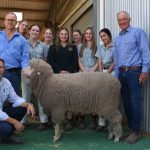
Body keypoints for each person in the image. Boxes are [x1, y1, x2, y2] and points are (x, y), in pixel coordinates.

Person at [114, 11, 150, 144]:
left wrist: (145, 71)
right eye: (120, 20)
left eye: (124, 19)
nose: (122, 22)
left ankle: (136, 132)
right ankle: (131, 130)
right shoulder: (117, 39)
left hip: (135, 72)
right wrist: (115, 77)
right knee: (126, 103)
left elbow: (145, 52)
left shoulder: (138, 32)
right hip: (122, 73)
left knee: (135, 102)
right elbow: (117, 60)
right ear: (118, 22)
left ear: (130, 19)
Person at [47, 27, 78, 130]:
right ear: (58, 35)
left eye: (66, 34)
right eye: (62, 34)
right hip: (56, 76)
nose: (64, 36)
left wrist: (68, 71)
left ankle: (69, 120)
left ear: (68, 35)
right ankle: (57, 120)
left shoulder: (73, 47)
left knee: (69, 98)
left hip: (70, 76)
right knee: (57, 99)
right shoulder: (53, 47)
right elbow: (50, 60)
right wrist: (59, 71)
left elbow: (75, 61)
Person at [0, 58, 35, 144]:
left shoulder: (6, 82)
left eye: (0, 67)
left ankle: (6, 136)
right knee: (7, 128)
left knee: (22, 108)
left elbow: (15, 99)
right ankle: (6, 134)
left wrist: (28, 104)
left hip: (1, 113)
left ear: (4, 69)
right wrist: (15, 122)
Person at [21, 24, 49, 131]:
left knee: (41, 98)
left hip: (39, 75)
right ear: (29, 31)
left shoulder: (43, 46)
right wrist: (27, 72)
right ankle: (23, 121)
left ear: (39, 33)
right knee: (25, 97)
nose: (35, 32)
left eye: (37, 31)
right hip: (26, 75)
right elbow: (21, 60)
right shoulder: (23, 44)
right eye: (33, 30)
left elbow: (45, 61)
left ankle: (43, 121)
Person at [0, 12, 29, 95]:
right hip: (0, 72)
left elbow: (25, 58)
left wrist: (26, 69)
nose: (10, 22)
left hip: (15, 74)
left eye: (12, 20)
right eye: (8, 20)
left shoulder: (22, 40)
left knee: (13, 98)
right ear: (4, 22)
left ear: (16, 23)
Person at [78, 27, 99, 129]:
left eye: (90, 33)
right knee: (82, 97)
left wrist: (92, 70)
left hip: (93, 74)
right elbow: (79, 61)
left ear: (92, 35)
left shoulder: (97, 47)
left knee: (93, 97)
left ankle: (94, 119)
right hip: (83, 73)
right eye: (86, 33)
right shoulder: (81, 47)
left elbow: (99, 61)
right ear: (84, 35)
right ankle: (81, 119)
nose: (88, 35)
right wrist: (85, 71)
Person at [95, 28, 114, 130]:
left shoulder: (115, 46)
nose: (103, 38)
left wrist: (108, 73)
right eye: (101, 37)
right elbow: (99, 60)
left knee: (110, 98)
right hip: (102, 73)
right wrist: (101, 73)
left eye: (104, 36)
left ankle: (111, 122)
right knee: (100, 97)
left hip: (112, 72)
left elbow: (115, 61)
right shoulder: (101, 47)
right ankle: (101, 122)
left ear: (109, 35)